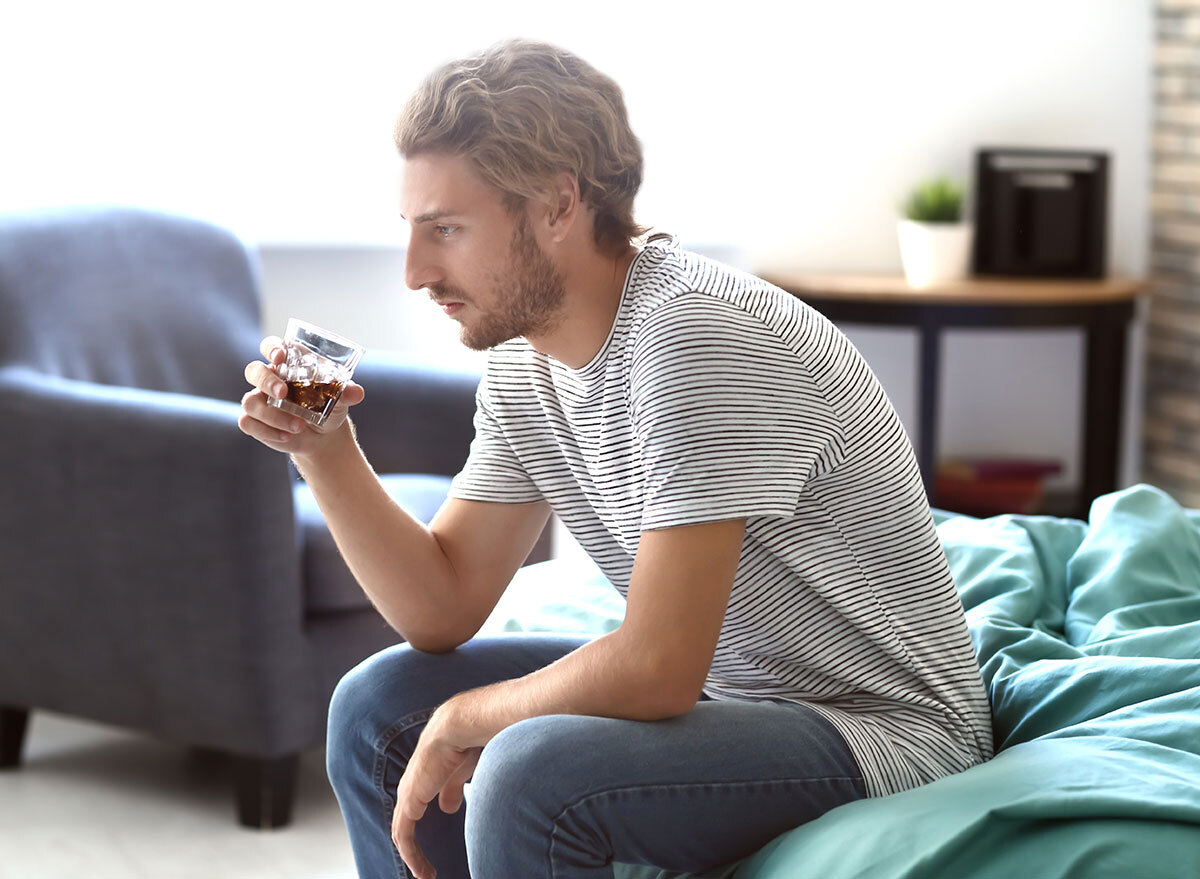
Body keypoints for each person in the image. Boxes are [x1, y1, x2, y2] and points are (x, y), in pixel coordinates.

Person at [239, 38, 993, 879]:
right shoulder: (526, 365)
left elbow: (660, 667)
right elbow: (441, 606)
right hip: (731, 691)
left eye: (446, 229)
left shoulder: (695, 338)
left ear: (559, 204)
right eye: (411, 231)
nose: (416, 271)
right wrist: (326, 451)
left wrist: (469, 718)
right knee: (378, 706)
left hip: (878, 725)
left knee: (535, 775)